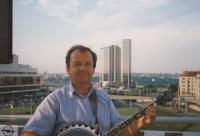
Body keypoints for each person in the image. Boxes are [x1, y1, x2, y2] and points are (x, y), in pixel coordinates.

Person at [21, 45, 156, 136]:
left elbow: (120, 132)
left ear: (93, 69)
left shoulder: (104, 97)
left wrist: (142, 121)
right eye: (77, 64)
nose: (83, 68)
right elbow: (30, 132)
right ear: (68, 69)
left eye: (88, 64)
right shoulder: (55, 100)